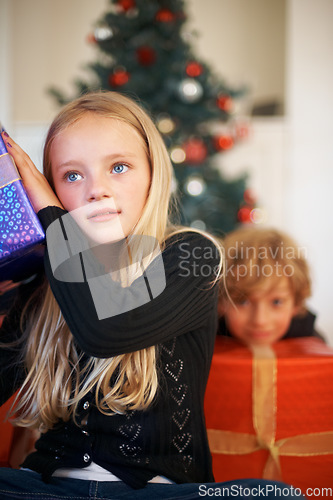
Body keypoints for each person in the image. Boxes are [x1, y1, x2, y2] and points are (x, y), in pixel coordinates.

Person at [0, 91, 301, 499]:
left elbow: (109, 330)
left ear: (153, 174)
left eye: (119, 167)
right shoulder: (45, 279)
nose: (96, 191)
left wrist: (53, 219)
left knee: (279, 496)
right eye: (72, 176)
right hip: (48, 487)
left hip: (159, 491)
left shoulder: (193, 254)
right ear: (54, 188)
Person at [217, 225, 325, 346]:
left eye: (277, 302)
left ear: (296, 303)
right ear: (221, 302)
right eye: (242, 302)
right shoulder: (205, 339)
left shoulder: (314, 344)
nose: (260, 321)